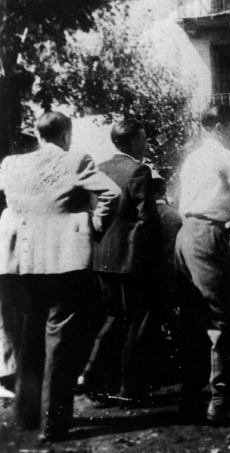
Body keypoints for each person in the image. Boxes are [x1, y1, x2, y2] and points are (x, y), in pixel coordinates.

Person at [0, 111, 121, 441]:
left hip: (19, 263)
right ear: (66, 135)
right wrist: (94, 226)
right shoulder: (76, 159)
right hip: (63, 261)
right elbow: (112, 194)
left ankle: (27, 416)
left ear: (38, 136)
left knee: (30, 333)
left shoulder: (11, 164)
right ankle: (53, 424)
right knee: (60, 341)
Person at [175, 104, 230, 425]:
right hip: (207, 235)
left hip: (187, 235)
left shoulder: (193, 158)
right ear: (220, 126)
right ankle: (221, 403)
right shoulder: (224, 155)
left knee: (193, 321)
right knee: (224, 321)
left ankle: (190, 400)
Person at [82, 119, 162, 407]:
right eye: (143, 139)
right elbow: (148, 217)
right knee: (137, 322)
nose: (146, 144)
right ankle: (130, 387)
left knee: (113, 318)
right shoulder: (138, 170)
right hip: (132, 259)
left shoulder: (99, 169)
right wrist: (155, 252)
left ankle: (92, 377)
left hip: (102, 257)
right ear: (130, 143)